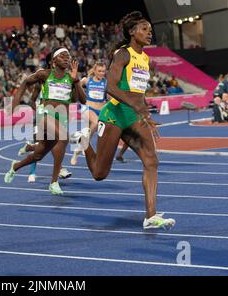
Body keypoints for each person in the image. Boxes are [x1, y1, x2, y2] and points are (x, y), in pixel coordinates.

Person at [71, 12, 175, 230]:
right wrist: (136, 104)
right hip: (115, 115)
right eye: (144, 29)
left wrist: (144, 110)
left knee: (152, 161)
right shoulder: (123, 54)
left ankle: (151, 216)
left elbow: (139, 90)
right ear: (131, 32)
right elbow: (111, 87)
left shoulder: (145, 58)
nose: (149, 33)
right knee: (100, 174)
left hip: (135, 116)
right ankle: (84, 143)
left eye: (150, 29)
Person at [5, 47, 86, 194]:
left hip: (61, 119)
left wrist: (76, 81)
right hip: (44, 114)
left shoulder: (70, 78)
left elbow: (82, 100)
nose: (66, 57)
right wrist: (15, 102)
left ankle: (15, 166)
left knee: (39, 155)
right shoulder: (45, 74)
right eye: (62, 55)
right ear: (53, 60)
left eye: (68, 55)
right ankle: (54, 182)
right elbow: (25, 82)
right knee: (63, 137)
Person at [71, 62, 108, 166]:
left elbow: (109, 97)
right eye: (99, 71)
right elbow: (76, 85)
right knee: (95, 123)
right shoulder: (87, 80)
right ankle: (85, 145)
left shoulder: (106, 83)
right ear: (95, 71)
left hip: (101, 110)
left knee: (87, 133)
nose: (101, 73)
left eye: (103, 71)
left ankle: (75, 153)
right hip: (88, 108)